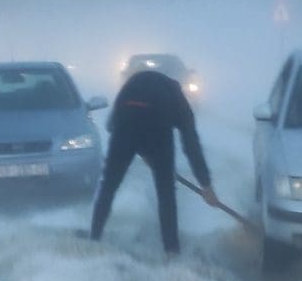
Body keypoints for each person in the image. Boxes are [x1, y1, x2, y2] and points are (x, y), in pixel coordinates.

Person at [90, 69, 219, 256]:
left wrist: (140, 150)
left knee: (109, 186)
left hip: (124, 129)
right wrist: (206, 184)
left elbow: (112, 125)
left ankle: (93, 239)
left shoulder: (133, 83)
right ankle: (172, 251)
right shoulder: (177, 100)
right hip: (158, 133)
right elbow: (191, 144)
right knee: (166, 194)